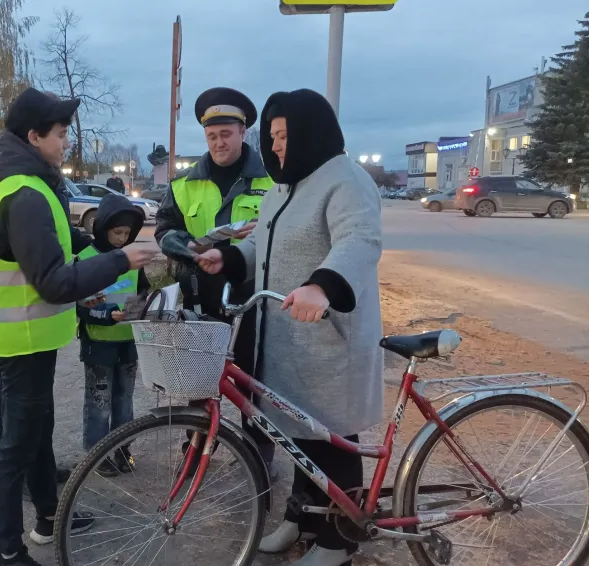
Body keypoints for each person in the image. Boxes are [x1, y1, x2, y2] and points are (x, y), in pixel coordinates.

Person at [195, 89, 384, 566]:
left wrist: (323, 286)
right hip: (286, 336)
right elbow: (263, 240)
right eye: (273, 136)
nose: (276, 145)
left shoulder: (346, 180)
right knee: (295, 433)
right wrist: (231, 256)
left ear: (309, 131)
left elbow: (359, 240)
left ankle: (339, 538)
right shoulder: (283, 185)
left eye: (283, 135)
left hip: (328, 339)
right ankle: (302, 517)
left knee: (331, 437)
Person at [0, 87, 155, 566]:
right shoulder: (26, 193)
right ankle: (8, 551)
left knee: (34, 433)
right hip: (25, 338)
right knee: (16, 445)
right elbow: (54, 281)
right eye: (60, 134)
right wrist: (120, 259)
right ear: (34, 136)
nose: (65, 143)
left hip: (26, 336)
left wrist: (109, 241)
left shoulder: (27, 185)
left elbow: (63, 245)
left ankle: (48, 519)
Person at [154, 86, 276, 474]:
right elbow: (165, 229)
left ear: (243, 132)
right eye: (212, 136)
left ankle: (258, 456)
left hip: (253, 298)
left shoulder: (272, 182)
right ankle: (195, 450)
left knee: (254, 379)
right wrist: (186, 248)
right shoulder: (183, 184)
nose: (219, 142)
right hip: (201, 298)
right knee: (199, 379)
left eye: (227, 134)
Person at [75, 193, 150, 475]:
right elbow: (78, 307)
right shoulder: (85, 259)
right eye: (117, 232)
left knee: (124, 401)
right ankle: (97, 454)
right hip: (99, 345)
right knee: (99, 403)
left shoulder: (132, 259)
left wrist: (145, 307)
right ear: (103, 227)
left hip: (128, 343)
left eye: (127, 233)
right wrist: (106, 315)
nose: (122, 239)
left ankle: (122, 449)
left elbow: (143, 292)